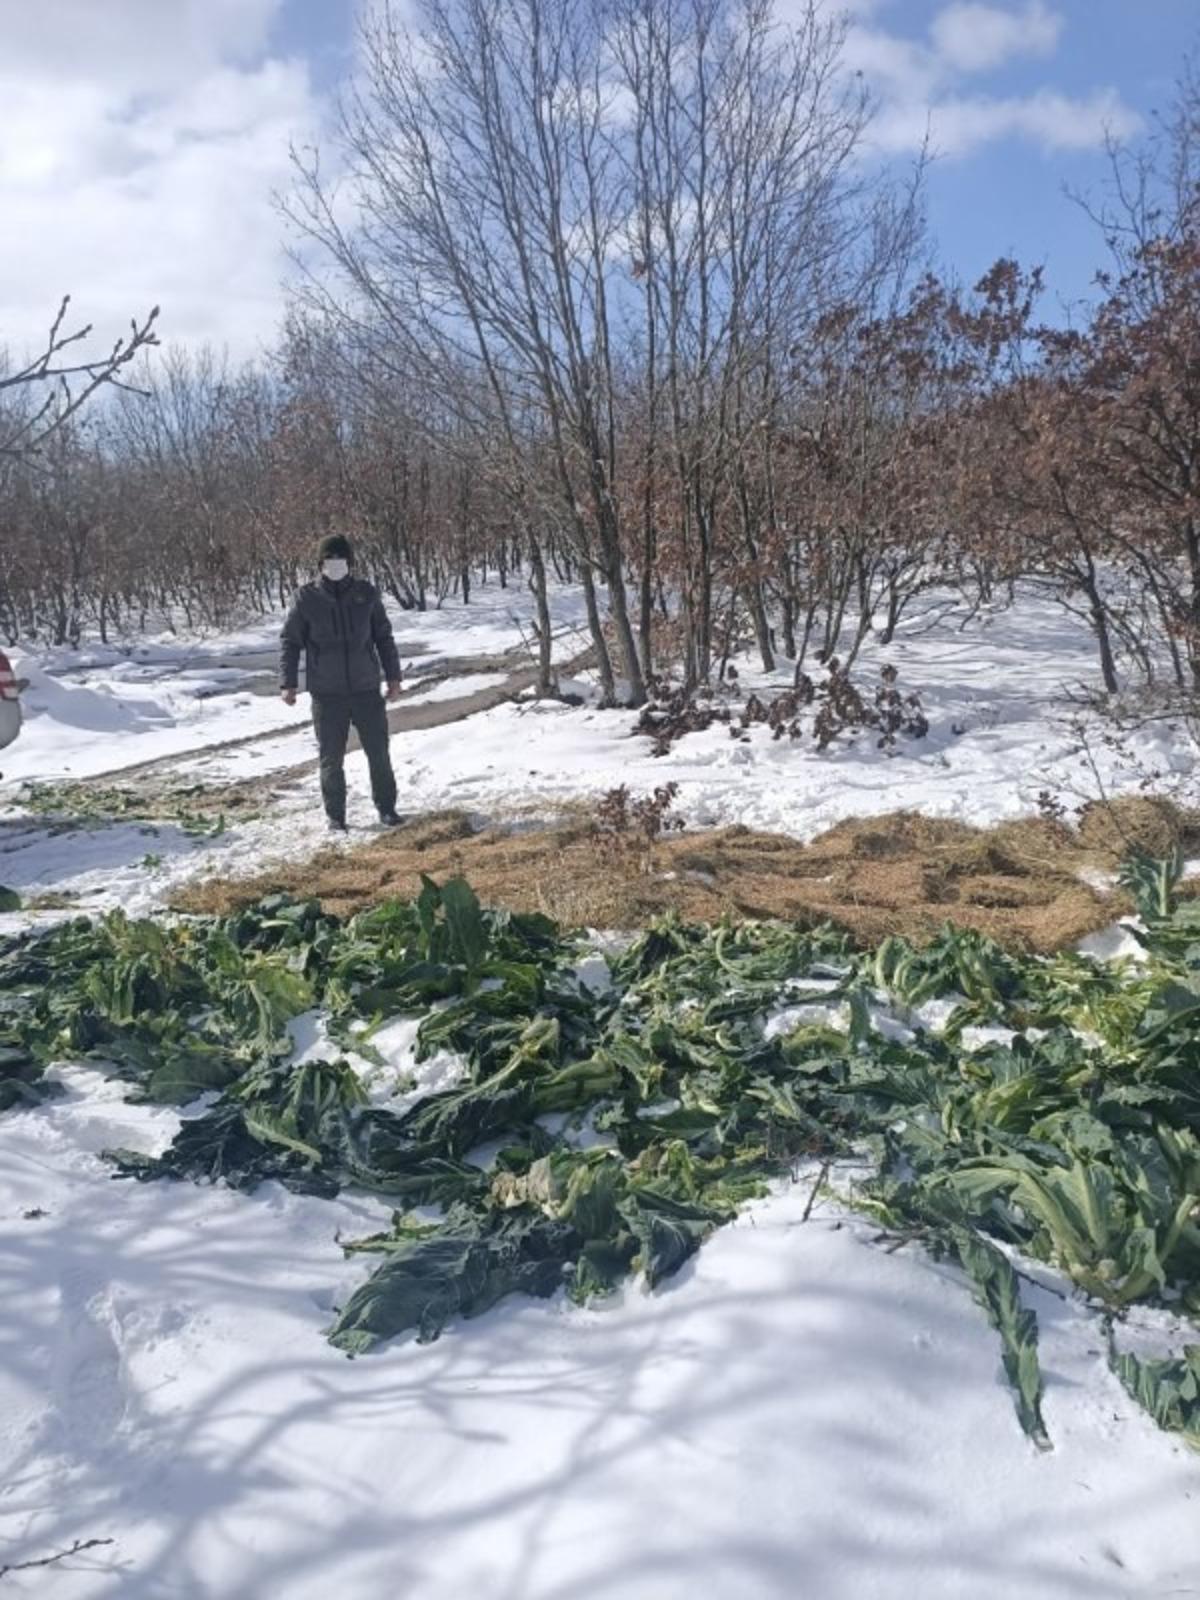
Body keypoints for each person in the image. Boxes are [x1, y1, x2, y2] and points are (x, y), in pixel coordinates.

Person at [280, 534, 404, 832]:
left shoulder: (366, 594)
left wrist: (394, 677)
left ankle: (387, 809)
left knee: (379, 752)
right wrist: (288, 682)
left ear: (350, 562)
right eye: (329, 560)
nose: (336, 565)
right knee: (331, 759)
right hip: (327, 694)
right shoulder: (306, 598)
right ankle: (336, 816)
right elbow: (290, 641)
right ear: (320, 564)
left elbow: (383, 638)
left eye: (341, 560)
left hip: (365, 690)